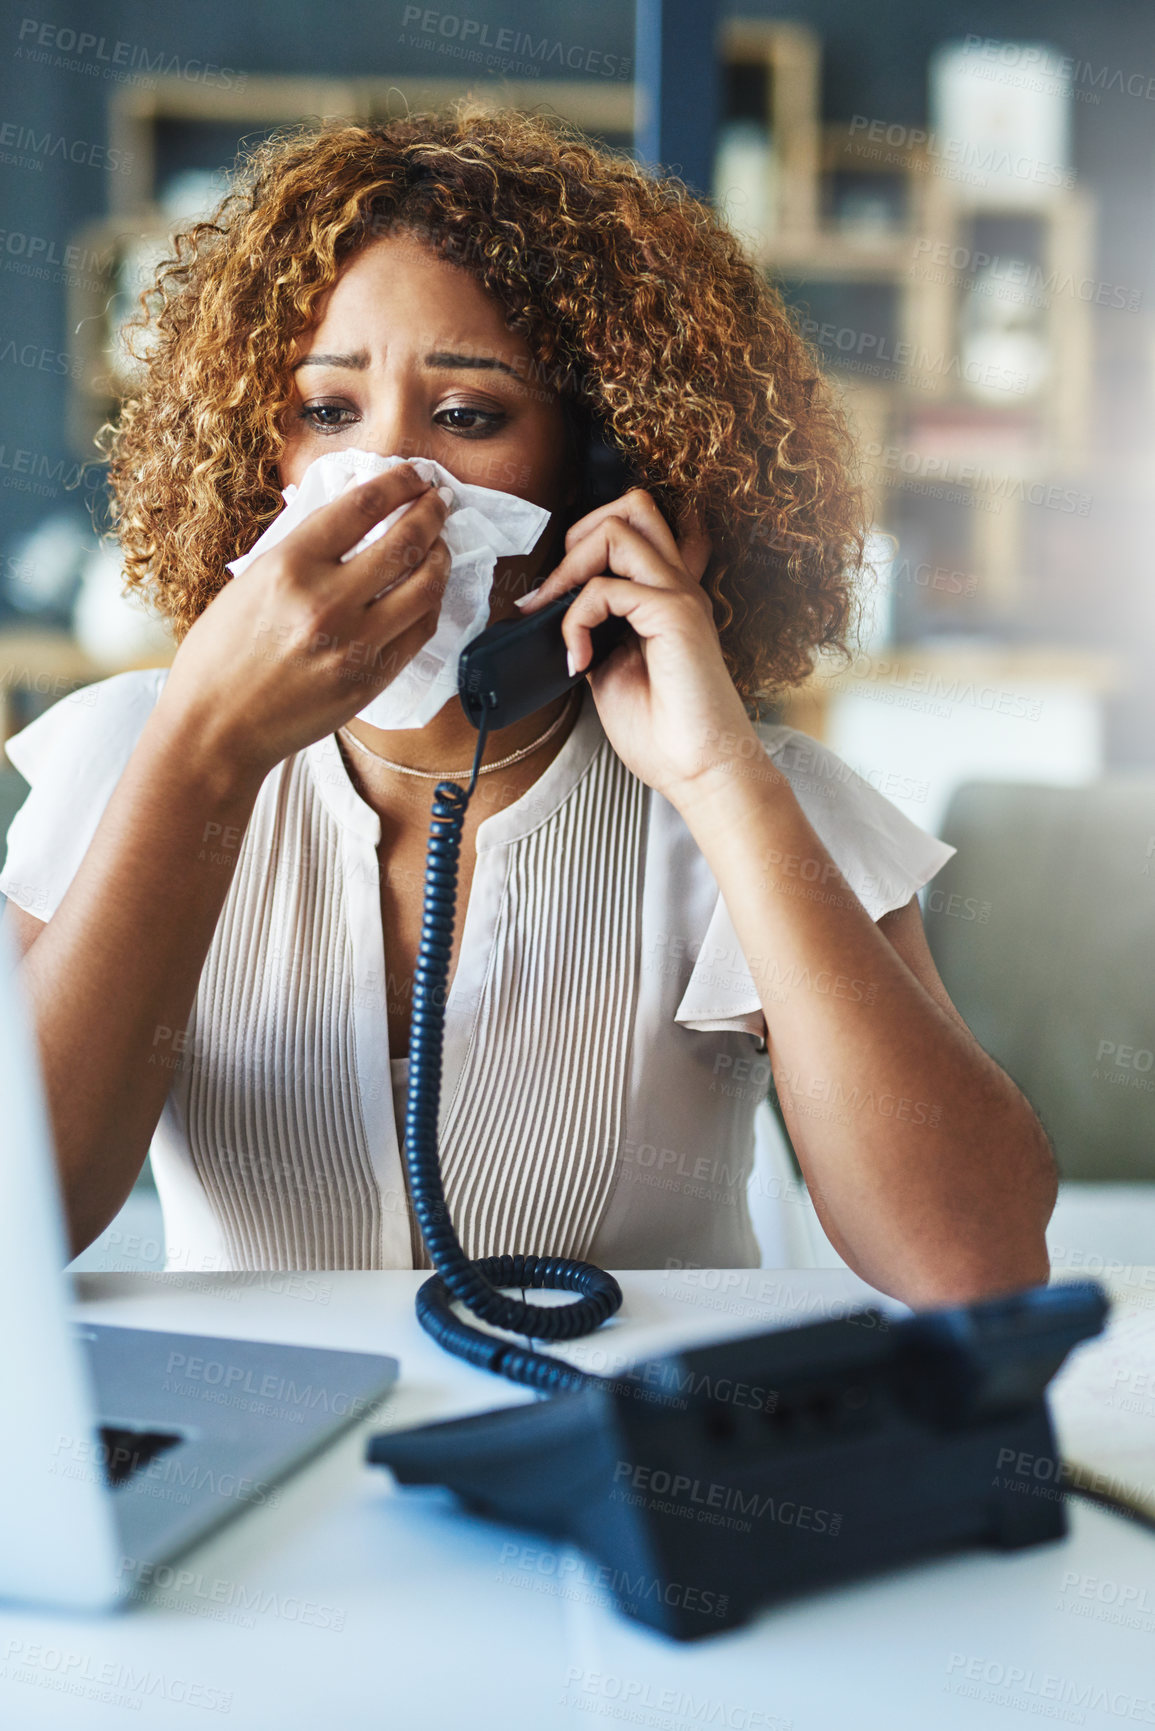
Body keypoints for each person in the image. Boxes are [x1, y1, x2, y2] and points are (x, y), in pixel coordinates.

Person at [0, 106, 1055, 1298]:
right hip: (267, 1468)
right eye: (328, 413)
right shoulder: (135, 756)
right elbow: (11, 1225)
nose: (388, 480)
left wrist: (718, 779)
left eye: (466, 416)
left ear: (606, 470)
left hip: (629, 1464)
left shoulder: (748, 801)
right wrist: (200, 748)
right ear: (259, 456)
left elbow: (975, 1262)